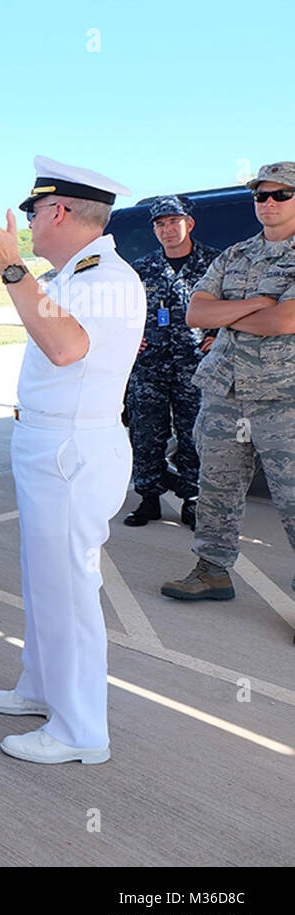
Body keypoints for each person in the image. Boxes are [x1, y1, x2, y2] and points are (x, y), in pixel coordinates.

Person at [0, 155, 143, 765]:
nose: (29, 224)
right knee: (44, 581)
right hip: (48, 445)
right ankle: (41, 686)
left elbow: (65, 348)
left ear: (60, 210)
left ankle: (79, 730)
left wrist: (10, 269)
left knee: (68, 590)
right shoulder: (72, 275)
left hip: (72, 449)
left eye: (34, 211)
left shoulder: (104, 278)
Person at [161, 162, 295, 606]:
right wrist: (258, 303)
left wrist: (233, 314)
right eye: (261, 196)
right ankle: (212, 571)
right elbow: (196, 314)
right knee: (217, 487)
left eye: (281, 195)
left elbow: (285, 320)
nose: (269, 203)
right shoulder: (234, 255)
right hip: (225, 392)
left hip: (284, 396)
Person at [122, 196, 221, 531]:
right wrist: (130, 336)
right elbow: (123, 310)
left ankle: (192, 501)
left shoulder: (215, 263)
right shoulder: (142, 267)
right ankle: (148, 497)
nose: (166, 229)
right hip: (149, 367)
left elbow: (238, 303)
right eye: (159, 224)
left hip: (196, 365)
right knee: (146, 433)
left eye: (172, 222)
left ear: (188, 223)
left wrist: (220, 334)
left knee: (195, 434)